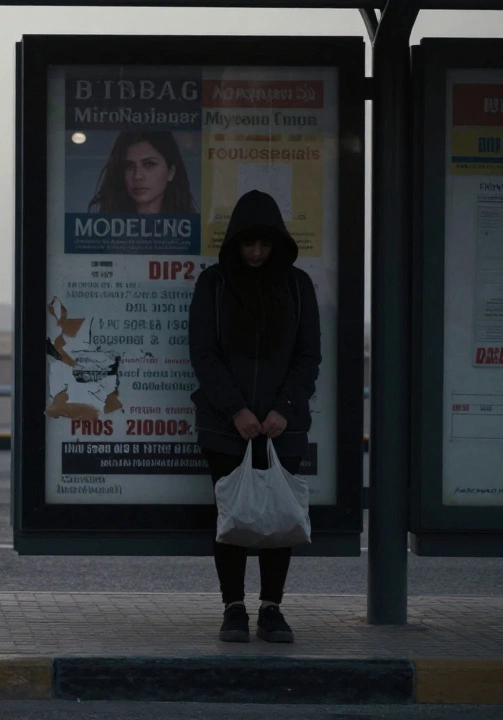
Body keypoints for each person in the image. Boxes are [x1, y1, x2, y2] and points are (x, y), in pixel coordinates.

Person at [187, 189, 321, 644]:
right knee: (235, 518)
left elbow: (309, 356)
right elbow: (203, 355)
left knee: (278, 518)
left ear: (278, 243)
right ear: (235, 244)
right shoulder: (214, 284)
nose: (258, 253)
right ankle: (233, 608)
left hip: (284, 426)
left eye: (265, 244)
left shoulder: (298, 286)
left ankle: (272, 608)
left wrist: (283, 410)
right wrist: (237, 410)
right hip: (226, 426)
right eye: (249, 244)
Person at [87, 130, 197, 215]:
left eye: (149, 164)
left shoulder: (192, 229)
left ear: (171, 172)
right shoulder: (105, 228)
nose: (137, 176)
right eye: (129, 166)